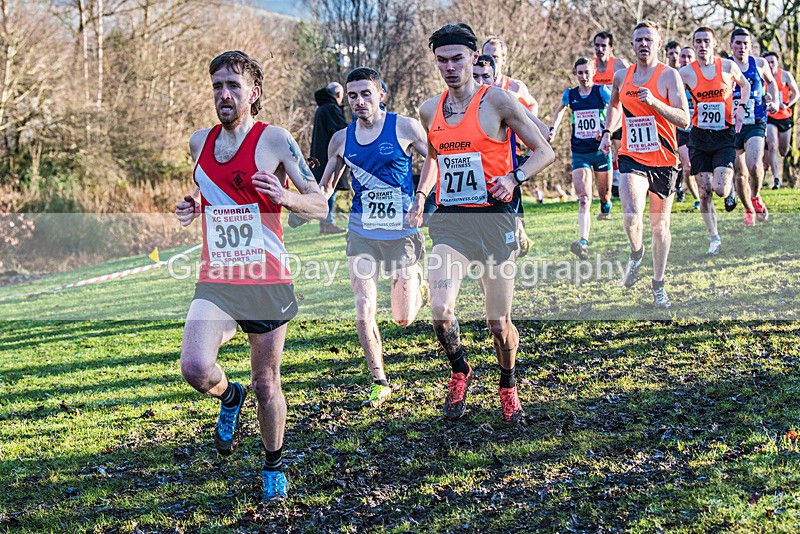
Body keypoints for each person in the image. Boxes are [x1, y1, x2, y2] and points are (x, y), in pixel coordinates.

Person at [174, 51, 327, 502]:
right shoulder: (198, 142)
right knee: (196, 367)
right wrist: (194, 206)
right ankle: (227, 396)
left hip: (266, 281)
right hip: (217, 277)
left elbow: (320, 204)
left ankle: (274, 464)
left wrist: (286, 196)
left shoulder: (275, 139)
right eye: (217, 85)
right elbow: (215, 194)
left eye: (233, 86)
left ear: (253, 93)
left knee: (267, 383)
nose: (224, 94)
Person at [408, 23, 554, 422]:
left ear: (475, 58)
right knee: (440, 310)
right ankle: (460, 370)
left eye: (458, 58)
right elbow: (435, 158)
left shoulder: (499, 102)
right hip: (452, 222)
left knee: (498, 322)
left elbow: (545, 151)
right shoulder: (428, 110)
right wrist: (421, 197)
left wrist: (514, 177)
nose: (450, 67)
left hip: (494, 220)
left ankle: (508, 383)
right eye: (442, 60)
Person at [317, 67, 429, 408]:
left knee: (403, 317)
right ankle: (379, 380)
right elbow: (325, 188)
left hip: (401, 234)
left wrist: (422, 197)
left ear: (381, 94)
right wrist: (296, 201)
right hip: (361, 232)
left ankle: (418, 287)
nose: (359, 101)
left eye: (366, 94)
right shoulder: (341, 139)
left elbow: (435, 160)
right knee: (364, 306)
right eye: (353, 96)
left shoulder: (405, 127)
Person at [599, 20, 689, 308]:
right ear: (632, 44)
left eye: (649, 39)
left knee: (660, 227)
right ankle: (636, 253)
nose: (643, 44)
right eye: (638, 39)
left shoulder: (669, 76)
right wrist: (606, 132)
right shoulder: (621, 77)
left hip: (664, 159)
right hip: (632, 154)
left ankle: (658, 284)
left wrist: (654, 103)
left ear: (658, 43)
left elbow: (684, 119)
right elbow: (613, 105)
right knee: (630, 213)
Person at [679, 27, 750, 255]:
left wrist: (741, 108)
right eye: (698, 41)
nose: (702, 45)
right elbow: (672, 92)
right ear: (693, 43)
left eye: (706, 41)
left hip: (724, 136)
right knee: (704, 191)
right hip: (699, 136)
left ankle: (730, 192)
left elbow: (746, 86)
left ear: (715, 43)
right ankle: (714, 237)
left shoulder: (727, 67)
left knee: (719, 188)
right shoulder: (686, 73)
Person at [549, 57, 613, 260]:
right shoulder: (571, 94)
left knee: (604, 195)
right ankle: (583, 241)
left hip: (600, 150)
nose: (584, 77)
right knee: (584, 199)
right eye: (580, 73)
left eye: (587, 72)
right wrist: (553, 129)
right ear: (575, 74)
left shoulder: (601, 91)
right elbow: (559, 111)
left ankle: (605, 205)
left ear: (593, 72)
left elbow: (615, 110)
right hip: (579, 151)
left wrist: (605, 131)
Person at [728, 28, 779, 224]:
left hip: (755, 121)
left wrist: (773, 101)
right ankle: (748, 208)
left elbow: (771, 82)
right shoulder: (725, 66)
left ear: (751, 46)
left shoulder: (759, 63)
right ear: (731, 45)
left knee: (754, 164)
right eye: (738, 43)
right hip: (732, 124)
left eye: (745, 43)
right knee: (739, 174)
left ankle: (756, 196)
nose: (742, 47)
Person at [592, 32, 630, 200]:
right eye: (597, 45)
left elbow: (630, 88)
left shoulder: (619, 64)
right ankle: (606, 193)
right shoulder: (590, 66)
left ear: (611, 48)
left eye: (603, 46)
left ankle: (625, 187)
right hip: (598, 120)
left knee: (621, 152)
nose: (599, 49)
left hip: (619, 116)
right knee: (601, 154)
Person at [310, 82, 348, 234]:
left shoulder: (322, 108)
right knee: (328, 190)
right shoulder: (331, 109)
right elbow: (341, 131)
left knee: (326, 189)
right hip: (328, 158)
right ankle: (328, 223)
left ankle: (326, 223)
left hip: (321, 156)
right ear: (338, 95)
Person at [764, 51, 799, 189]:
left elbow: (796, 93)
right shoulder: (761, 77)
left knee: (783, 150)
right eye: (767, 62)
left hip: (784, 116)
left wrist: (788, 104)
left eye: (772, 62)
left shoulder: (785, 75)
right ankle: (776, 179)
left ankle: (788, 149)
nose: (770, 65)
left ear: (777, 63)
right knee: (772, 144)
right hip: (769, 117)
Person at [676, 46, 701, 209]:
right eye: (683, 57)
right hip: (682, 130)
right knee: (687, 167)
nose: (686, 60)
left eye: (689, 57)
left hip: (700, 129)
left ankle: (705, 192)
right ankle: (698, 198)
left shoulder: (700, 77)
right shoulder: (674, 78)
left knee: (702, 165)